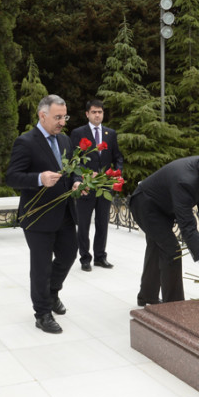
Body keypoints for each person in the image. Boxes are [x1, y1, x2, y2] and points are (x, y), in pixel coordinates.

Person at [6, 94, 82, 334]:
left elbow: (75, 169)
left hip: (66, 213)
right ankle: (42, 313)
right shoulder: (25, 142)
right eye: (58, 117)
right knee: (41, 267)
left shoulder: (66, 141)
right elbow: (12, 177)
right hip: (38, 216)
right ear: (43, 115)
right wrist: (39, 179)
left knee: (69, 254)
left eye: (65, 116)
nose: (62, 122)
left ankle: (51, 293)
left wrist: (78, 181)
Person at [130, 145, 199, 305]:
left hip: (163, 207)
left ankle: (146, 297)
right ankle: (174, 308)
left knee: (157, 248)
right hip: (145, 205)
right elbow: (188, 227)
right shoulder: (185, 180)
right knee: (172, 251)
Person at [70, 100, 123, 271]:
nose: (97, 115)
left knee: (102, 223)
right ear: (87, 114)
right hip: (86, 186)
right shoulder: (78, 133)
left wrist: (116, 174)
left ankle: (100, 257)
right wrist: (80, 178)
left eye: (100, 112)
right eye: (94, 112)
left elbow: (118, 157)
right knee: (84, 224)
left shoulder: (110, 133)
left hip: (104, 187)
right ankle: (85, 258)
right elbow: (74, 160)